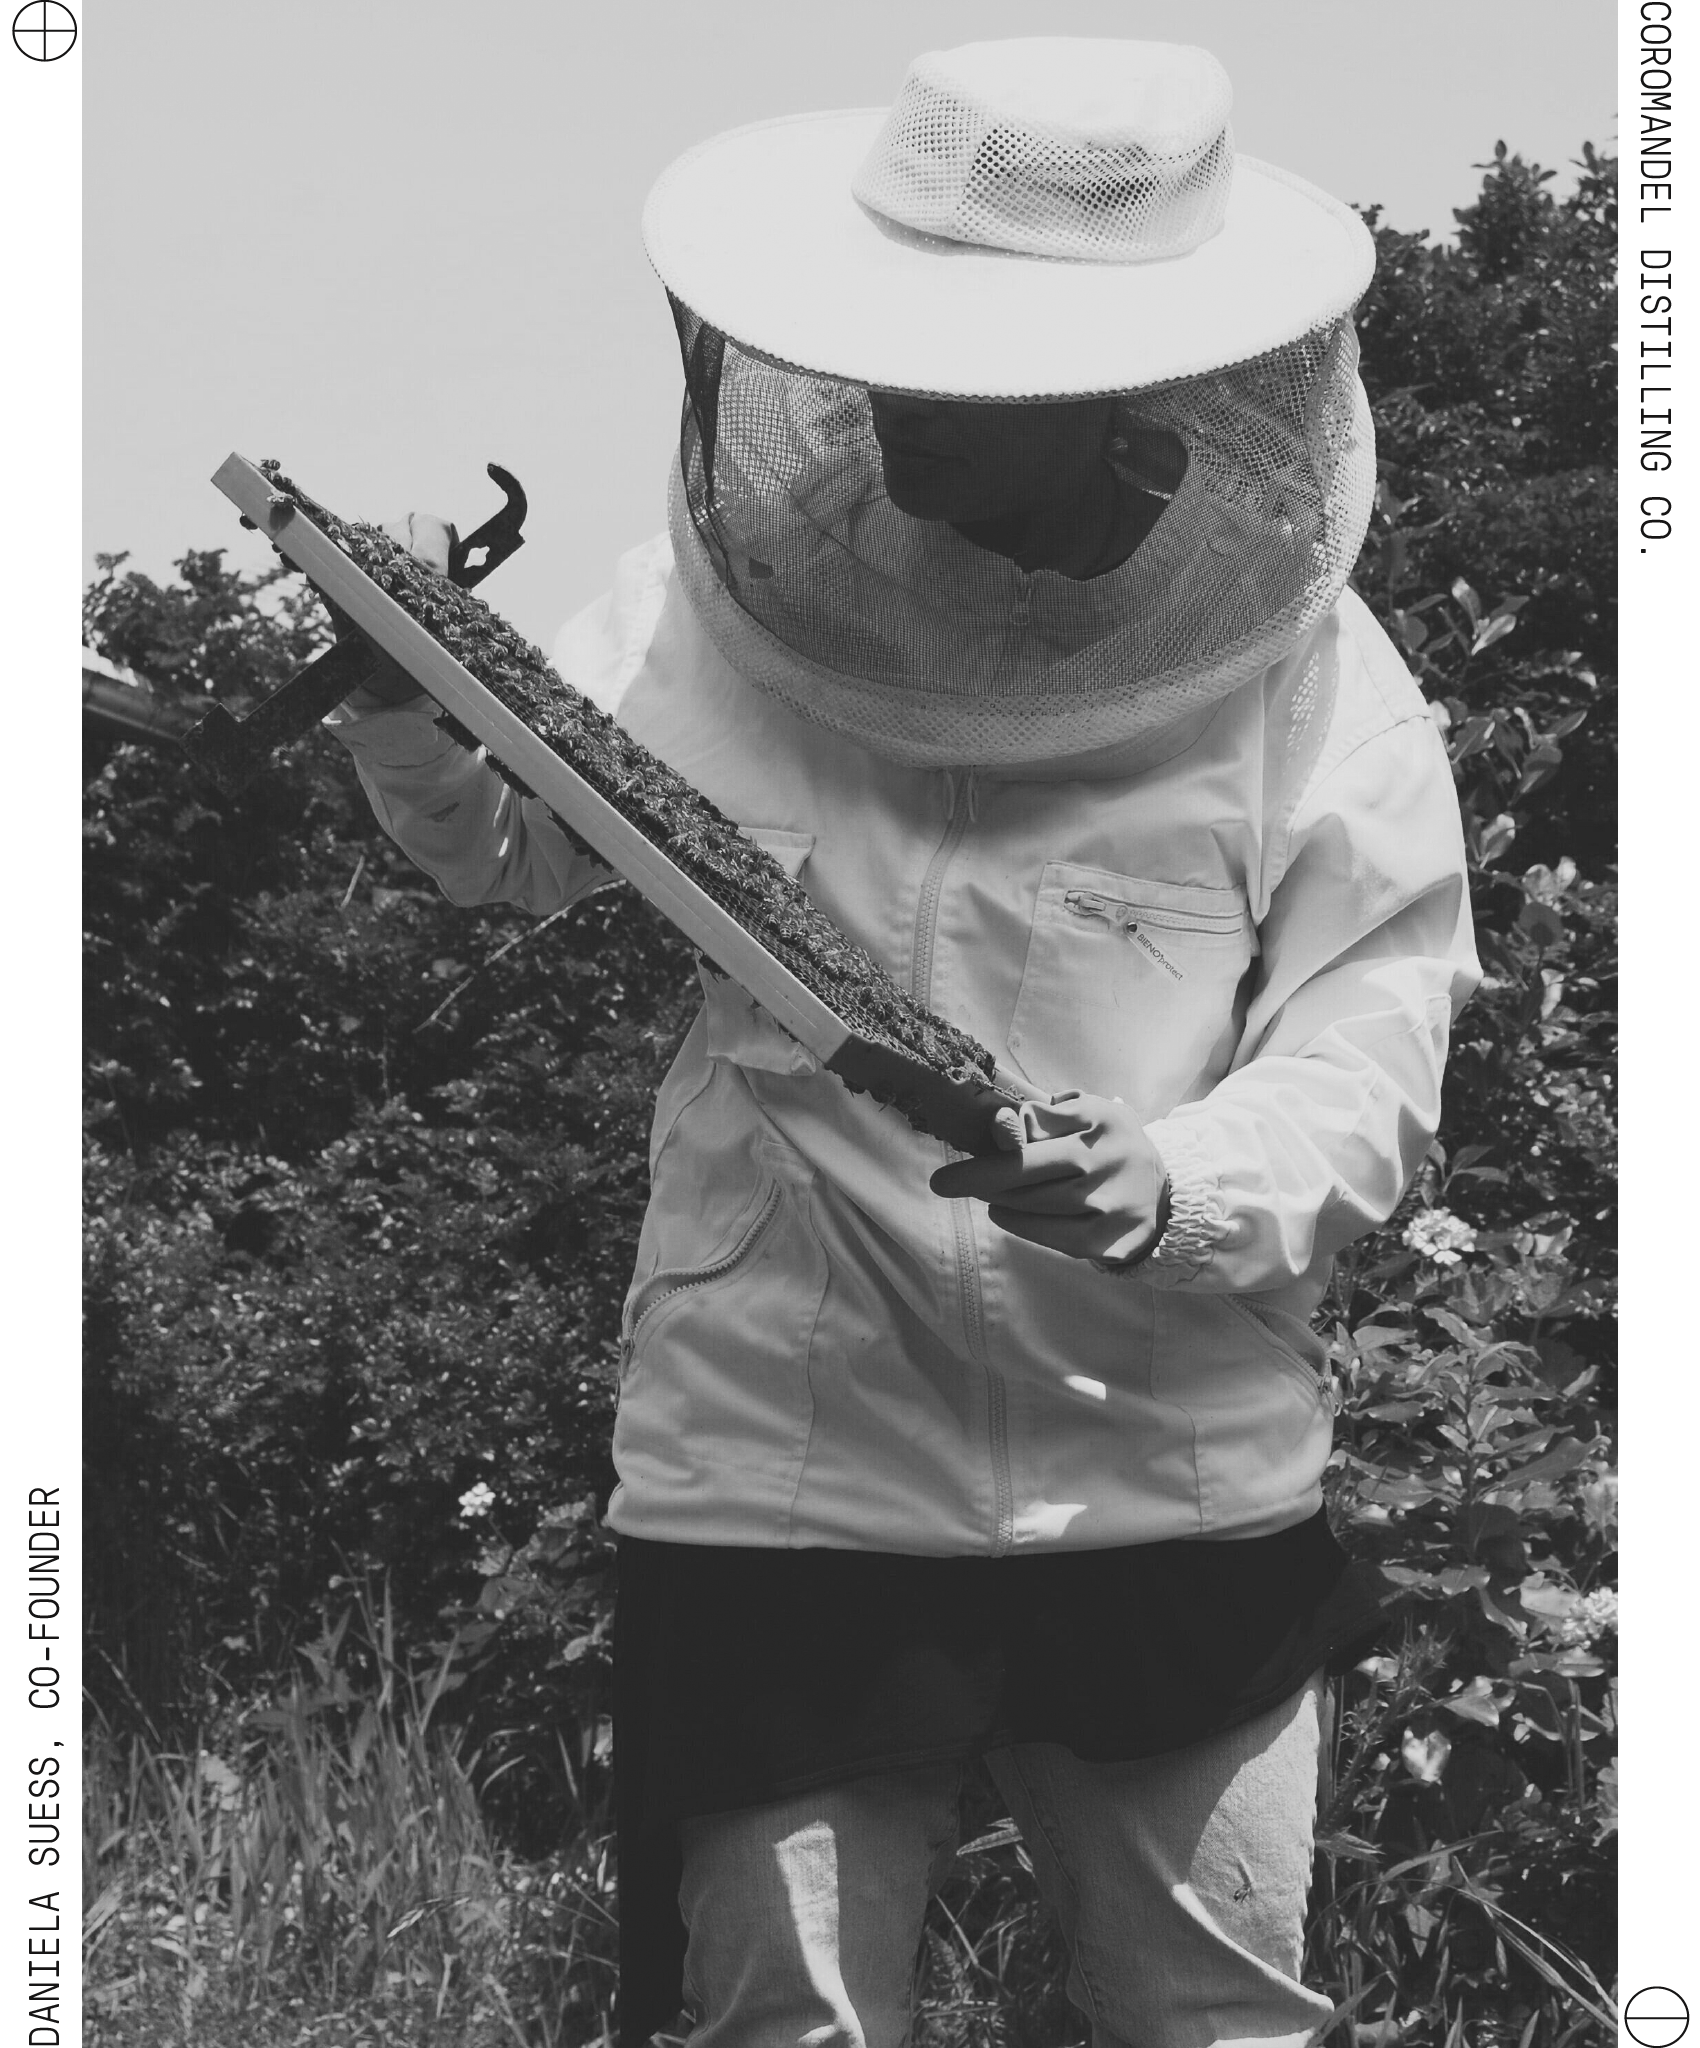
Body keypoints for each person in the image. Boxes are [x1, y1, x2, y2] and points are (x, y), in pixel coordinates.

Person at [331, 39, 1479, 2048]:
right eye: (886, 348)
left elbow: (1363, 1063)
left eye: (967, 373)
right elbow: (508, 846)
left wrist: (1167, 1179)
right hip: (781, 1472)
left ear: (1121, 394)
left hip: (1167, 1478)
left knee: (1208, 2025)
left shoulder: (1320, 690)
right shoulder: (721, 601)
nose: (896, 405)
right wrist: (399, 704)